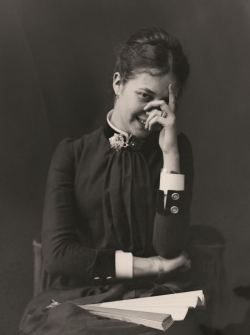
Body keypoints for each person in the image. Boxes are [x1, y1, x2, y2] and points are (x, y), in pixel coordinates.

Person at [19, 27, 202, 335]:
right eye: (144, 95)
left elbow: (168, 248)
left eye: (165, 102)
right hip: (83, 297)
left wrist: (169, 155)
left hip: (153, 296)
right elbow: (59, 255)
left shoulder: (176, 150)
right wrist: (150, 265)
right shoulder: (71, 155)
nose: (152, 113)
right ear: (118, 83)